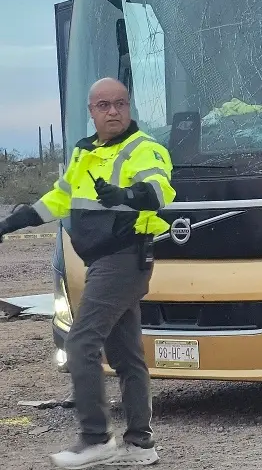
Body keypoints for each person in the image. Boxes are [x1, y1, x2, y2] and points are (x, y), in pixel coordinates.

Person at [0, 79, 174, 467]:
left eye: (120, 103)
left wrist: (127, 195)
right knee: (126, 355)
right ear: (91, 111)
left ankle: (96, 439)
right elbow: (59, 199)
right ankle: (140, 444)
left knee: (79, 343)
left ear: (129, 107)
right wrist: (11, 223)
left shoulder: (143, 148)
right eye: (104, 105)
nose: (113, 111)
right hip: (102, 262)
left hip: (123, 259)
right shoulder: (84, 153)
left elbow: (160, 190)